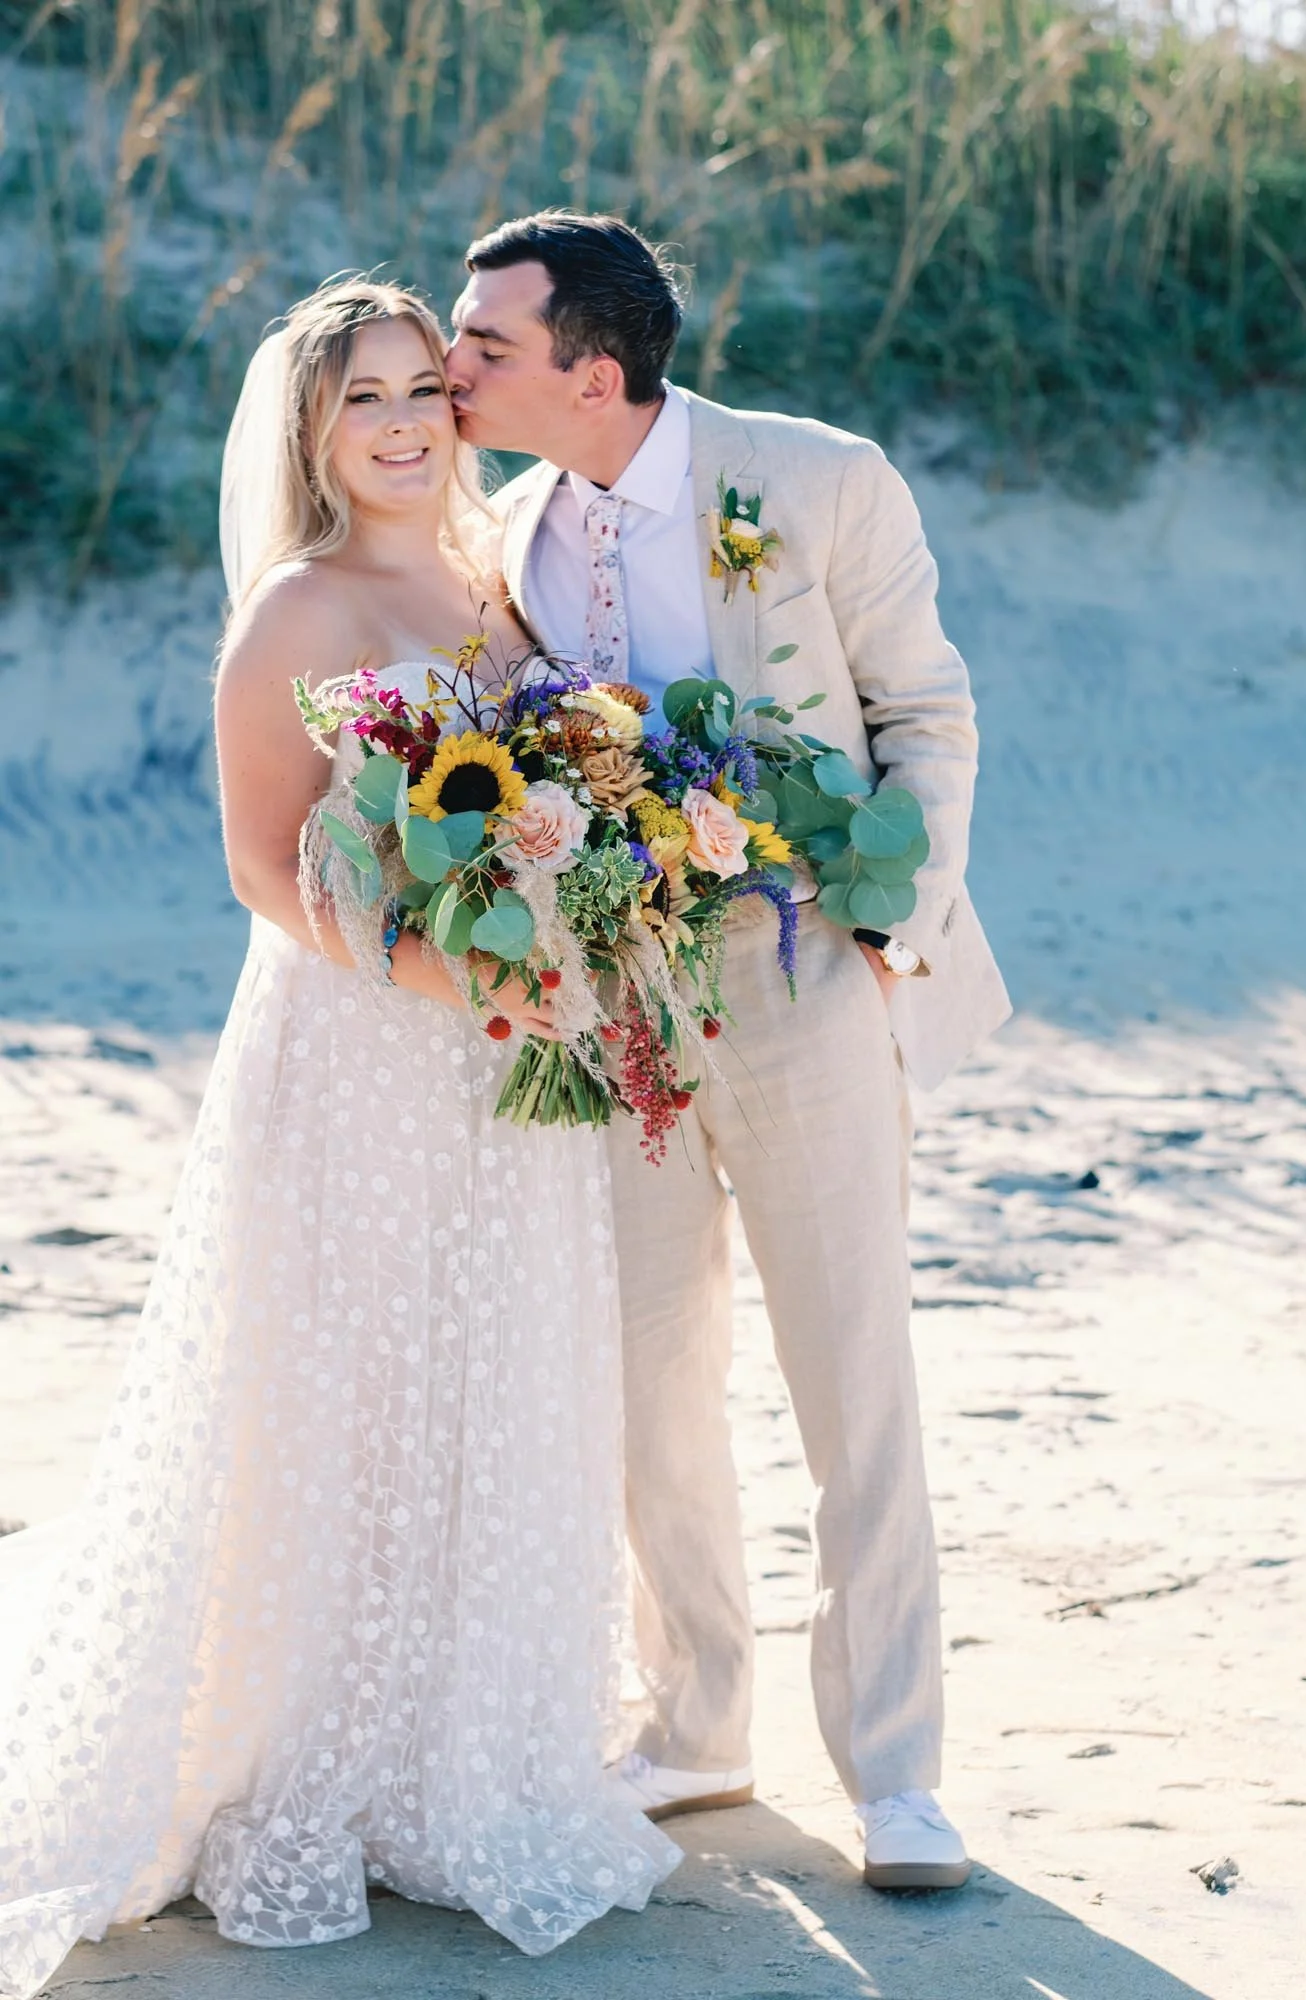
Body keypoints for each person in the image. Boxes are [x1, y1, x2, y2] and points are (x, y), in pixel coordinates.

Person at [0, 277, 678, 2000]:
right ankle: (306, 1761)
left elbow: (558, 790)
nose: (395, 422)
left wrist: (570, 933)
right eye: (357, 396)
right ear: (308, 430)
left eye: (418, 389)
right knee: (342, 1386)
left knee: (491, 1376)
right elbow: (261, 868)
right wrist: (460, 978)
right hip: (360, 1052)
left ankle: (457, 1762)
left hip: (507, 1058)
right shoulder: (295, 612)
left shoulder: (491, 580)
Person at [445, 212, 1011, 1890]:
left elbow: (928, 714)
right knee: (646, 1375)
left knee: (853, 1378)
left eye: (485, 344)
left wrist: (888, 921)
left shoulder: (818, 480)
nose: (452, 366)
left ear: (591, 372)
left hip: (805, 968)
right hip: (612, 997)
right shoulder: (503, 535)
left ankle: (896, 1776)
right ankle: (697, 1724)